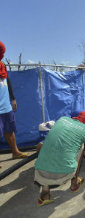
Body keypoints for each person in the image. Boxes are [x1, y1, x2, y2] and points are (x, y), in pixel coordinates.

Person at [34, 111, 85, 206]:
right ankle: (74, 183)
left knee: (50, 145)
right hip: (62, 173)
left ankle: (45, 193)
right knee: (80, 147)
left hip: (40, 172)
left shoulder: (62, 119)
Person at [0, 41, 28, 169]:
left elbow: (8, 81)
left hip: (6, 105)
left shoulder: (2, 66)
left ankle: (15, 152)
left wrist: (13, 98)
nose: (3, 54)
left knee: (10, 130)